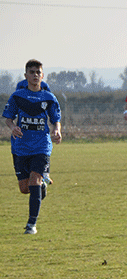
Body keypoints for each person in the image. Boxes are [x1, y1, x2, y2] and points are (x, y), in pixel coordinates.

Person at [3, 59, 62, 234]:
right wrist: (13, 127)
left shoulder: (49, 98)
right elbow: (7, 118)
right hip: (20, 147)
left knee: (34, 179)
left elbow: (55, 119)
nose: (35, 75)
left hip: (41, 146)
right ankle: (42, 184)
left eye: (38, 72)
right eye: (32, 72)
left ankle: (31, 224)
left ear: (42, 75)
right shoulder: (17, 96)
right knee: (25, 188)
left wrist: (57, 130)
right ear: (26, 76)